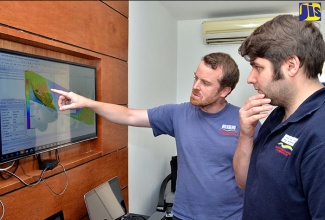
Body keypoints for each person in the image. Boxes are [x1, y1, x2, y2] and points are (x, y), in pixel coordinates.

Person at [51, 52, 259, 220]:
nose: (195, 86)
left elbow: (253, 178)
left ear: (225, 91)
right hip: (183, 216)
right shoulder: (179, 114)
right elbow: (130, 115)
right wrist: (87, 102)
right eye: (195, 77)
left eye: (205, 83)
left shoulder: (245, 123)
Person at [233, 14, 325, 219]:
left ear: (291, 65)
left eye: (258, 67)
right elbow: (244, 181)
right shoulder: (277, 114)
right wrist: (246, 136)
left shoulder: (320, 135)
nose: (250, 79)